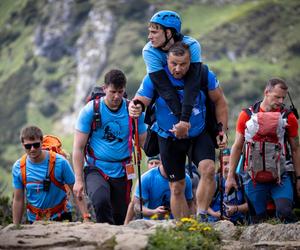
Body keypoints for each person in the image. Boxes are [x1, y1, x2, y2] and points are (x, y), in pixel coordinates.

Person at [129, 42, 228, 220]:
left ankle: (202, 215)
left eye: (183, 64)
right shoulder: (155, 77)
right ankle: (183, 227)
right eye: (173, 63)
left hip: (198, 132)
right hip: (168, 136)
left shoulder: (204, 75)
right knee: (177, 186)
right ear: (166, 59)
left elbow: (220, 100)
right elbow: (140, 99)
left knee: (209, 169)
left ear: (191, 61)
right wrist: (135, 107)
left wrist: (222, 130)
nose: (178, 68)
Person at [72, 69, 147, 225]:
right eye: (112, 91)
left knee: (120, 216)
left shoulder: (132, 111)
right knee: (100, 201)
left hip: (122, 170)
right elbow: (78, 148)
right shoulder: (90, 111)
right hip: (95, 168)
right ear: (104, 88)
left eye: (120, 92)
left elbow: (144, 142)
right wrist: (78, 180)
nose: (117, 96)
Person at [226, 78, 300, 223]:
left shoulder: (288, 117)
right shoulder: (246, 116)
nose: (280, 101)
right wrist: (230, 176)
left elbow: (296, 149)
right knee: (257, 221)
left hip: (280, 177)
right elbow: (237, 146)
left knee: (285, 212)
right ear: (266, 92)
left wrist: (298, 179)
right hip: (253, 178)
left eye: (283, 98)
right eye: (277, 96)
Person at [142, 10, 203, 138]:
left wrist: (184, 121)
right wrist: (182, 121)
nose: (149, 37)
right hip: (165, 94)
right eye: (149, 32)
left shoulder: (192, 45)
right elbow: (164, 88)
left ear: (168, 32)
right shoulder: (149, 51)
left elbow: (192, 84)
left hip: (189, 93)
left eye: (154, 32)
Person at [12, 125, 90, 224]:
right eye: (28, 146)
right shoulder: (18, 167)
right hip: (34, 220)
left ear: (41, 142)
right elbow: (18, 199)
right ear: (23, 145)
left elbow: (76, 191)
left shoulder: (60, 162)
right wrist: (15, 225)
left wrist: (86, 217)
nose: (32, 149)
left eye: (36, 145)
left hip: (62, 216)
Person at [208, 148, 248, 224]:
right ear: (220, 164)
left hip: (238, 224)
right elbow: (203, 205)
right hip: (215, 223)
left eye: (231, 163)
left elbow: (250, 205)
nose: (229, 167)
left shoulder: (242, 180)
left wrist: (236, 208)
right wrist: (216, 214)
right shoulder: (214, 180)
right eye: (225, 163)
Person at [124, 155, 161, 225]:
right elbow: (134, 203)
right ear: (147, 165)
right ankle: (125, 225)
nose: (154, 166)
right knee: (133, 203)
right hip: (145, 212)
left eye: (156, 163)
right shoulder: (143, 179)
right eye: (151, 163)